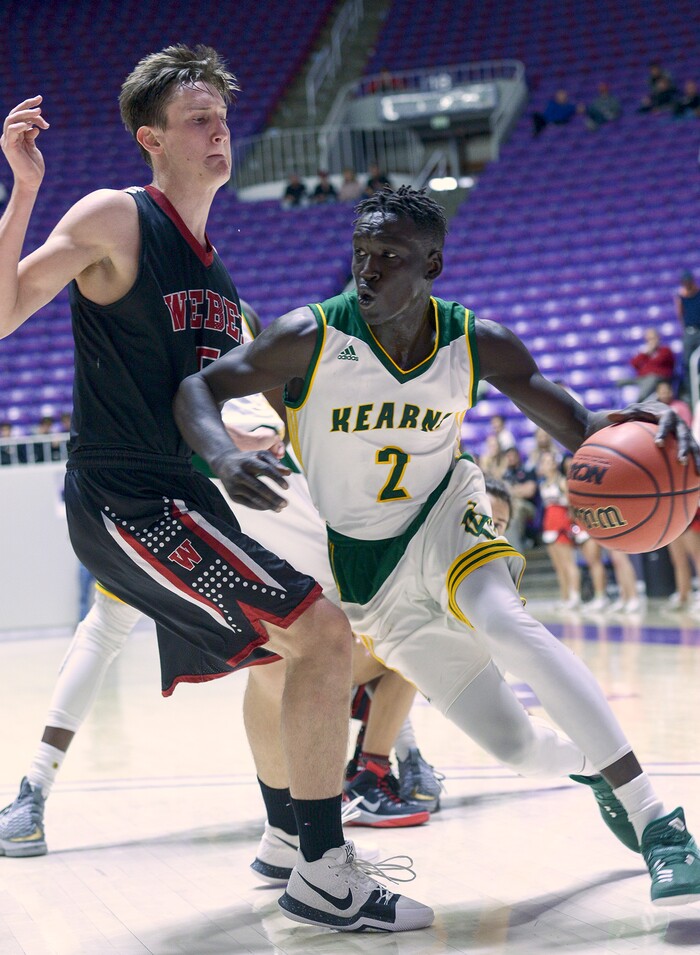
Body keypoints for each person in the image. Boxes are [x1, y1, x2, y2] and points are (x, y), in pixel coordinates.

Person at [0, 48, 432, 934]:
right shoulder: (116, 217)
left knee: (285, 661)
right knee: (318, 635)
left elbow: (226, 404)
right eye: (198, 119)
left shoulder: (216, 273)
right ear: (150, 138)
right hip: (126, 500)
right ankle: (325, 871)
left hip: (186, 500)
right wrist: (24, 191)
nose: (218, 131)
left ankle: (287, 842)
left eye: (223, 118)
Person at [175, 185, 700, 908]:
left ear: (432, 264)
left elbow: (580, 422)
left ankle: (660, 824)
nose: (367, 270)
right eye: (361, 254)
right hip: (368, 576)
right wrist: (224, 456)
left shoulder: (475, 341)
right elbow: (197, 390)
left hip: (445, 513)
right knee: (516, 746)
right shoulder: (311, 335)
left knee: (505, 620)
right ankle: (594, 763)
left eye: (388, 257)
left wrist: (661, 429)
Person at [537, 450, 581, 610]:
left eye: (550, 461)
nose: (548, 465)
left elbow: (572, 504)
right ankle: (565, 597)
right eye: (545, 462)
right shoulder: (542, 484)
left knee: (569, 563)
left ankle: (575, 596)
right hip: (548, 526)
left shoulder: (562, 482)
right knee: (559, 566)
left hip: (562, 525)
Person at [616, 328, 676, 401]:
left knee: (651, 379)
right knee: (620, 382)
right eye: (648, 339)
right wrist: (645, 354)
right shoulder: (645, 353)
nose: (651, 342)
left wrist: (648, 356)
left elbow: (657, 363)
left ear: (658, 338)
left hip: (657, 378)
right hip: (642, 378)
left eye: (653, 338)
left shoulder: (665, 350)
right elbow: (634, 363)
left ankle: (638, 402)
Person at [501, 444, 540, 553]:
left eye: (513, 456)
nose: (511, 458)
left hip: (528, 507)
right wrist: (519, 489)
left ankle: (516, 548)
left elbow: (529, 491)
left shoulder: (527, 470)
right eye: (508, 456)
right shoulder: (505, 474)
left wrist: (512, 490)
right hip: (510, 505)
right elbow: (502, 492)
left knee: (516, 508)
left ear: (518, 456)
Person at [674, 270, 700, 399]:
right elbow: (680, 315)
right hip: (690, 332)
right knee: (687, 363)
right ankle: (692, 393)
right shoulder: (681, 297)